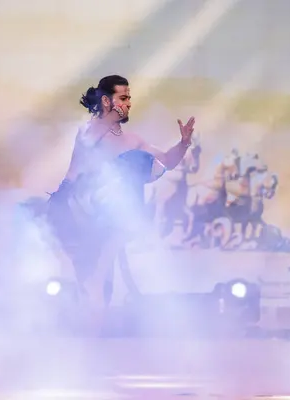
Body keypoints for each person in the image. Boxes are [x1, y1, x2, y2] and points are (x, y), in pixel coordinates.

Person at [46, 75, 195, 325]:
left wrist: (184, 144)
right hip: (75, 205)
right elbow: (89, 158)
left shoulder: (131, 140)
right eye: (123, 98)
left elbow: (167, 161)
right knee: (133, 163)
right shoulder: (90, 129)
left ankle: (91, 320)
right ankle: (85, 289)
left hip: (106, 215)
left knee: (100, 290)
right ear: (106, 100)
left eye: (129, 98)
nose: (128, 104)